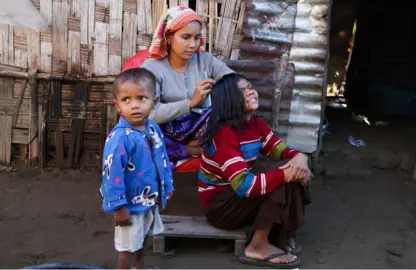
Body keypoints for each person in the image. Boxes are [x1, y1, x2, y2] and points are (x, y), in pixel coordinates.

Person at [198, 73, 312, 269]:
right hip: (221, 209)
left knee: (290, 169)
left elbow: (282, 151)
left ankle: (282, 235)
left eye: (250, 86)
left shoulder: (256, 125)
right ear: (229, 101)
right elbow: (243, 186)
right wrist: (286, 173)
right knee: (283, 174)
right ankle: (257, 246)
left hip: (237, 199)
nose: (250, 91)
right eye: (242, 90)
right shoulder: (223, 135)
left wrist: (301, 158)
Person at [141, 6, 234, 171]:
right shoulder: (151, 69)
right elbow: (149, 113)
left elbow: (233, 83)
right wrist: (191, 103)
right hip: (166, 131)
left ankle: (193, 148)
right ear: (169, 37)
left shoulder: (205, 61)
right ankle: (188, 150)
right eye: (186, 37)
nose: (193, 44)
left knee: (227, 114)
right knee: (142, 134)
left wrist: (226, 90)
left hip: (200, 129)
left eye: (197, 38)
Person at [99, 68, 174, 269]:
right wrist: (118, 207)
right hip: (129, 205)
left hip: (149, 199)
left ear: (154, 101)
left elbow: (163, 159)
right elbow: (110, 175)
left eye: (141, 98)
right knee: (126, 247)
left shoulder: (153, 129)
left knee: (144, 237)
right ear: (117, 105)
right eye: (126, 100)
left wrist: (166, 186)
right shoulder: (120, 138)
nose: (134, 106)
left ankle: (138, 267)